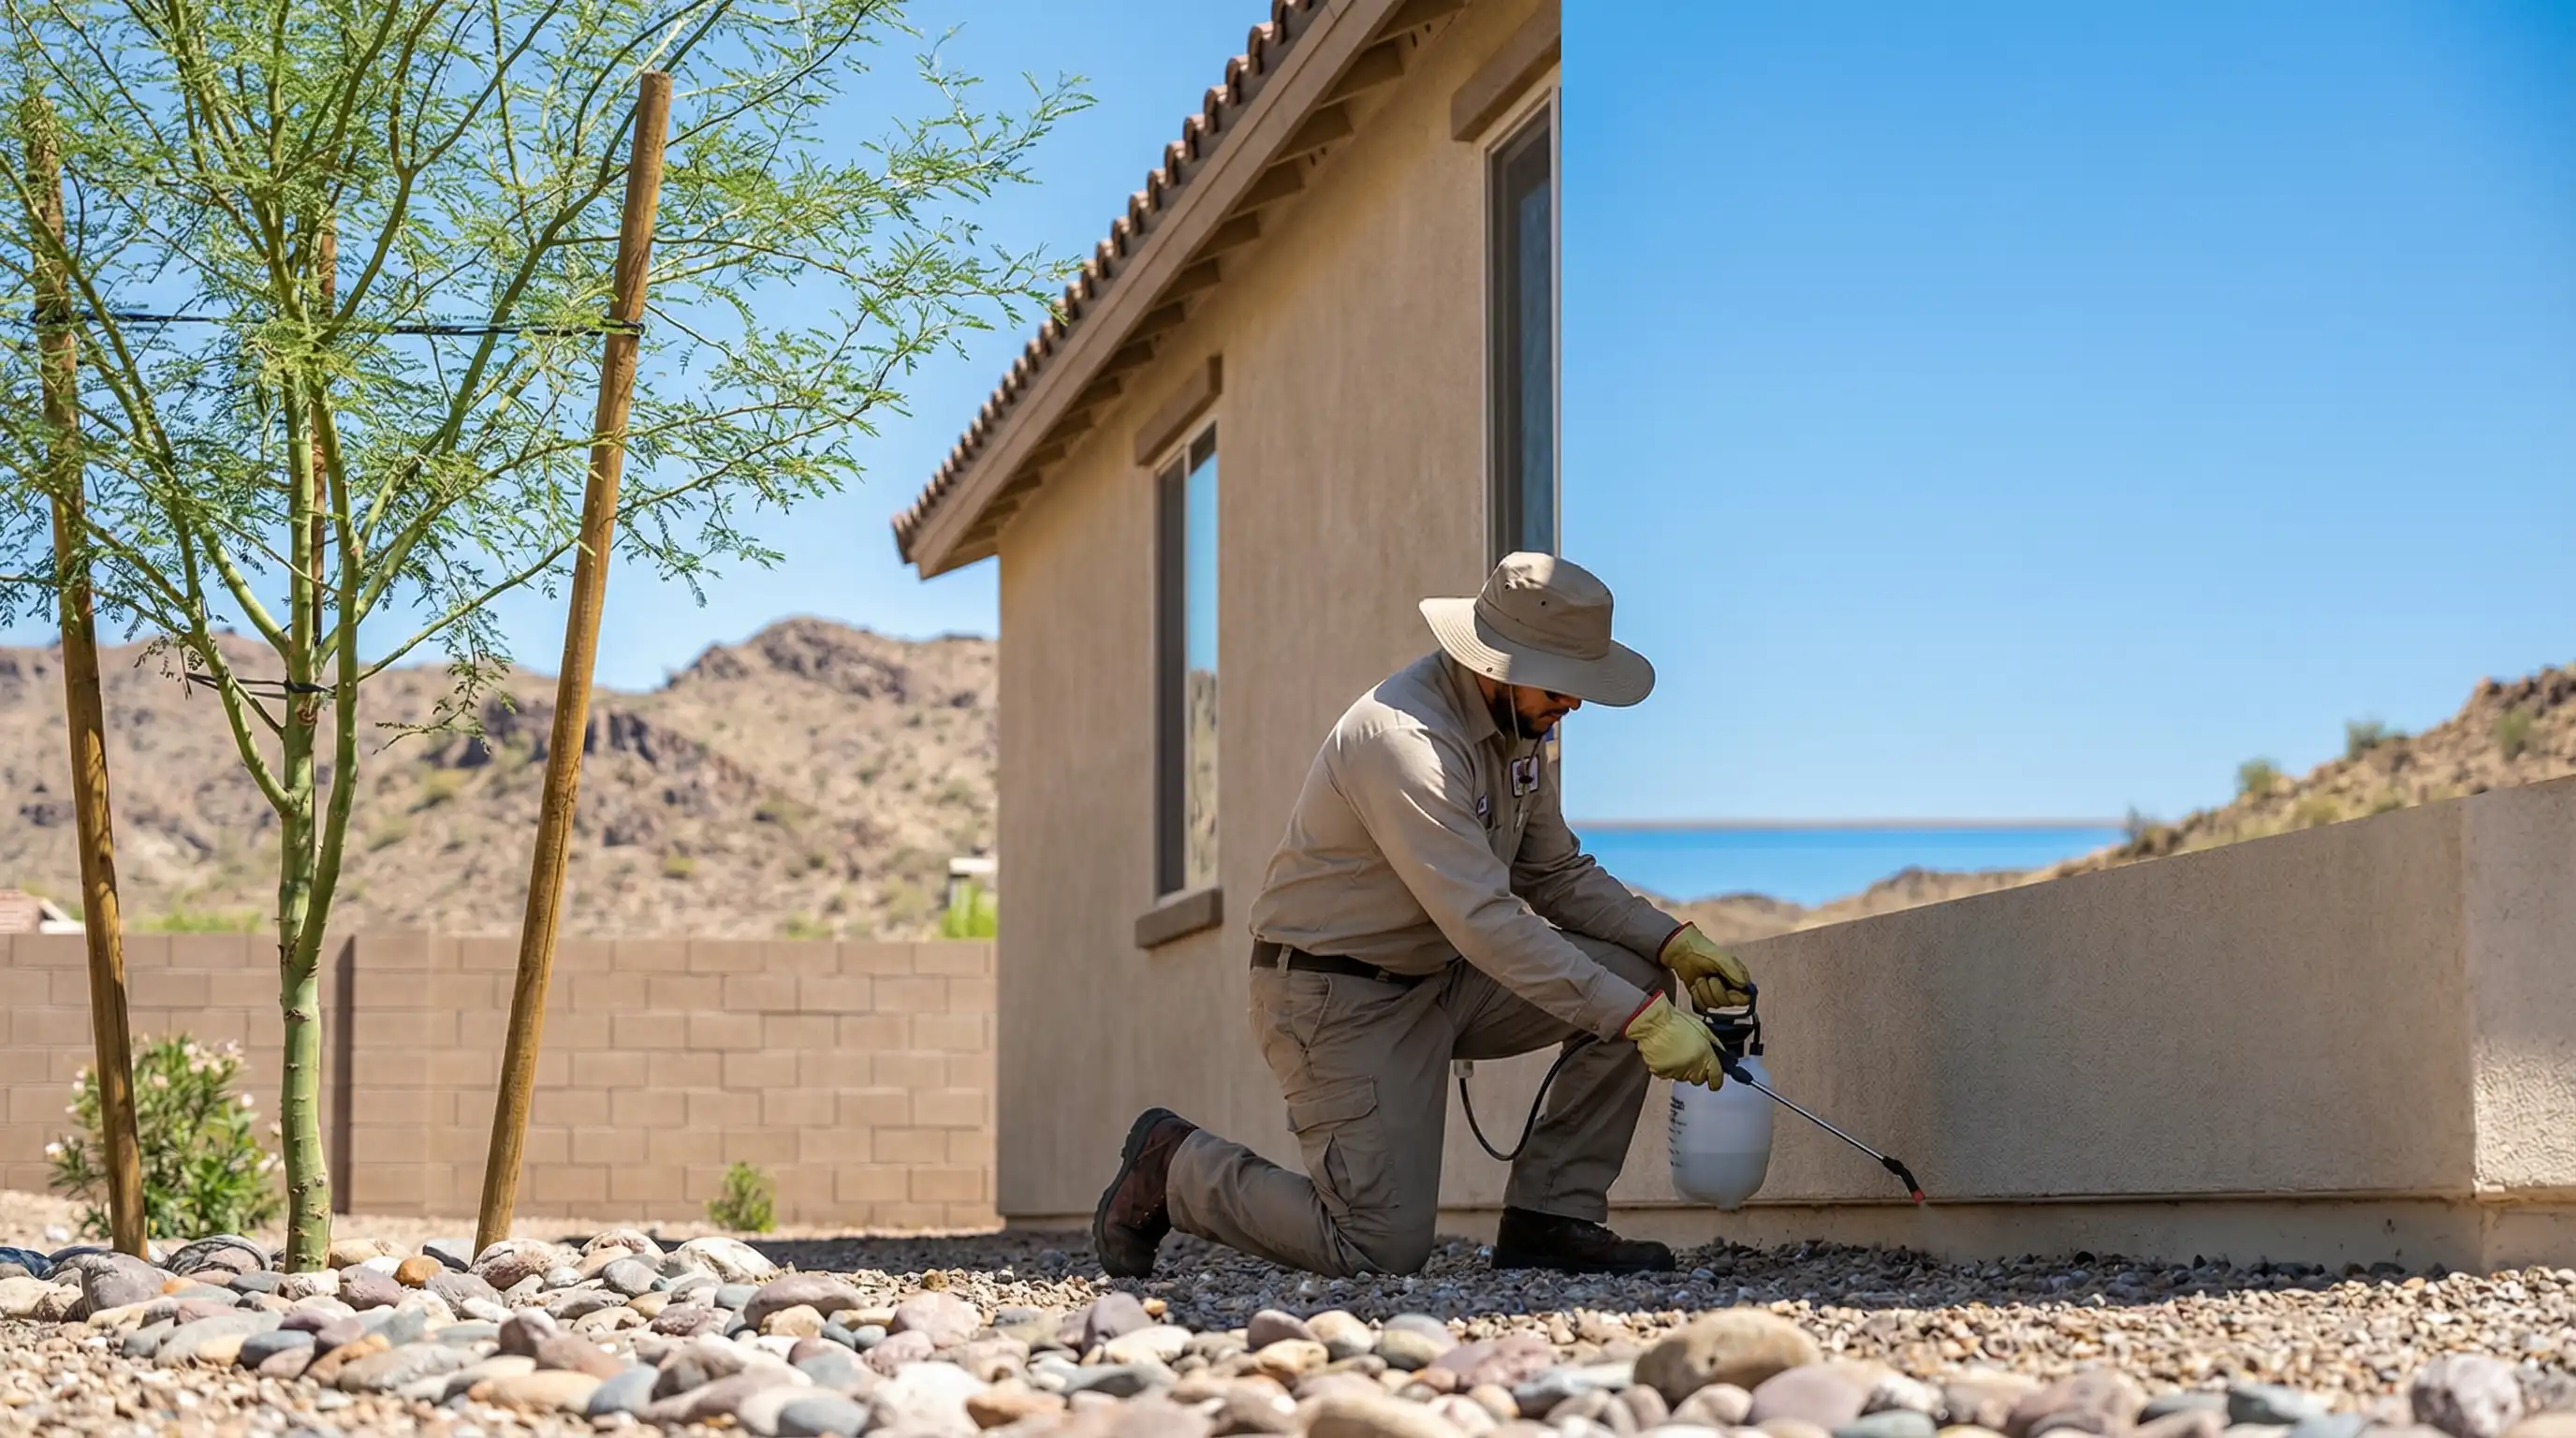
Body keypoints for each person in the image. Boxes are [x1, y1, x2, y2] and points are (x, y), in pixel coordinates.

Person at [1090, 551, 1758, 1279]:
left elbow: (1554, 874)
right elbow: (1484, 918)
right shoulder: (1402, 741)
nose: (1575, 704)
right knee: (1376, 1246)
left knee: (1637, 978)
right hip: (1336, 997)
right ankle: (1173, 1167)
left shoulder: (1523, 734)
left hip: (1443, 976)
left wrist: (1672, 941)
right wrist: (1639, 1021)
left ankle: (1552, 1220)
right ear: (1498, 664)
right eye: (1564, 685)